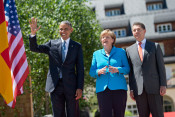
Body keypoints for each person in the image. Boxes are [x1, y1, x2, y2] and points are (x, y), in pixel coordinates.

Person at [29, 17, 84, 117]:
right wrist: (33, 34)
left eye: (65, 29)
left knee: (73, 113)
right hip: (55, 85)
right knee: (58, 114)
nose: (63, 31)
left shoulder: (77, 46)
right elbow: (34, 48)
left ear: (71, 30)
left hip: (71, 86)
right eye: (61, 29)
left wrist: (80, 87)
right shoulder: (52, 44)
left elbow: (80, 68)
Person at [126, 22, 167, 117]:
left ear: (144, 31)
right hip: (139, 90)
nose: (136, 32)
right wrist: (131, 88)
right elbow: (131, 72)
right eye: (134, 30)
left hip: (155, 88)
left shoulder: (155, 46)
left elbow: (161, 67)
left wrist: (163, 84)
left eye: (138, 30)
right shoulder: (129, 50)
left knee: (158, 114)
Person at [89, 29, 130, 117]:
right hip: (102, 89)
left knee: (119, 114)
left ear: (112, 40)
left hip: (119, 89)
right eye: (103, 37)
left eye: (107, 37)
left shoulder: (121, 52)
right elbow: (92, 72)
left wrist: (118, 69)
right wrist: (98, 71)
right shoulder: (96, 54)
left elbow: (127, 69)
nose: (104, 39)